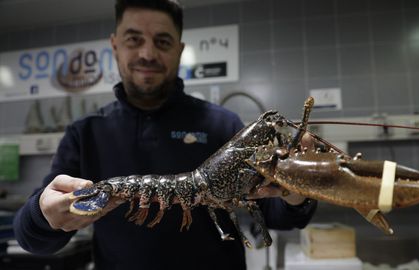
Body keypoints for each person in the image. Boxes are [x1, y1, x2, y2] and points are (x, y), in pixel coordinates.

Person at [13, 0, 317, 269]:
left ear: (179, 49)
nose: (147, 53)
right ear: (115, 44)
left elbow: (280, 215)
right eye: (134, 40)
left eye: (162, 41)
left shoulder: (225, 123)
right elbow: (32, 239)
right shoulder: (85, 132)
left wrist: (296, 192)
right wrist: (42, 214)